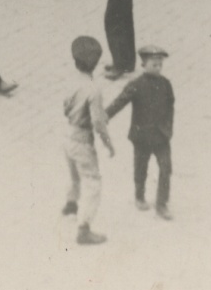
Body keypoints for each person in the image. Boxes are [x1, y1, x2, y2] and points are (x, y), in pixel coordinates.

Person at [107, 43, 175, 220]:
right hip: (142, 136)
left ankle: (161, 204)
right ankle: (139, 196)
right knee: (140, 168)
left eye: (160, 64)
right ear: (144, 65)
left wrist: (168, 129)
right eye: (154, 64)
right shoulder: (136, 85)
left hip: (161, 136)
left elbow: (170, 107)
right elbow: (119, 102)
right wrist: (104, 116)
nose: (158, 67)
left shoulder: (166, 84)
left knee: (166, 168)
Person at [61, 34, 115, 246]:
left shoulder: (71, 82)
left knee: (74, 174)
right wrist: (108, 143)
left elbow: (65, 107)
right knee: (93, 181)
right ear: (95, 64)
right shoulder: (93, 90)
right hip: (82, 140)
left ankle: (70, 206)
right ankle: (84, 229)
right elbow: (98, 123)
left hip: (67, 134)